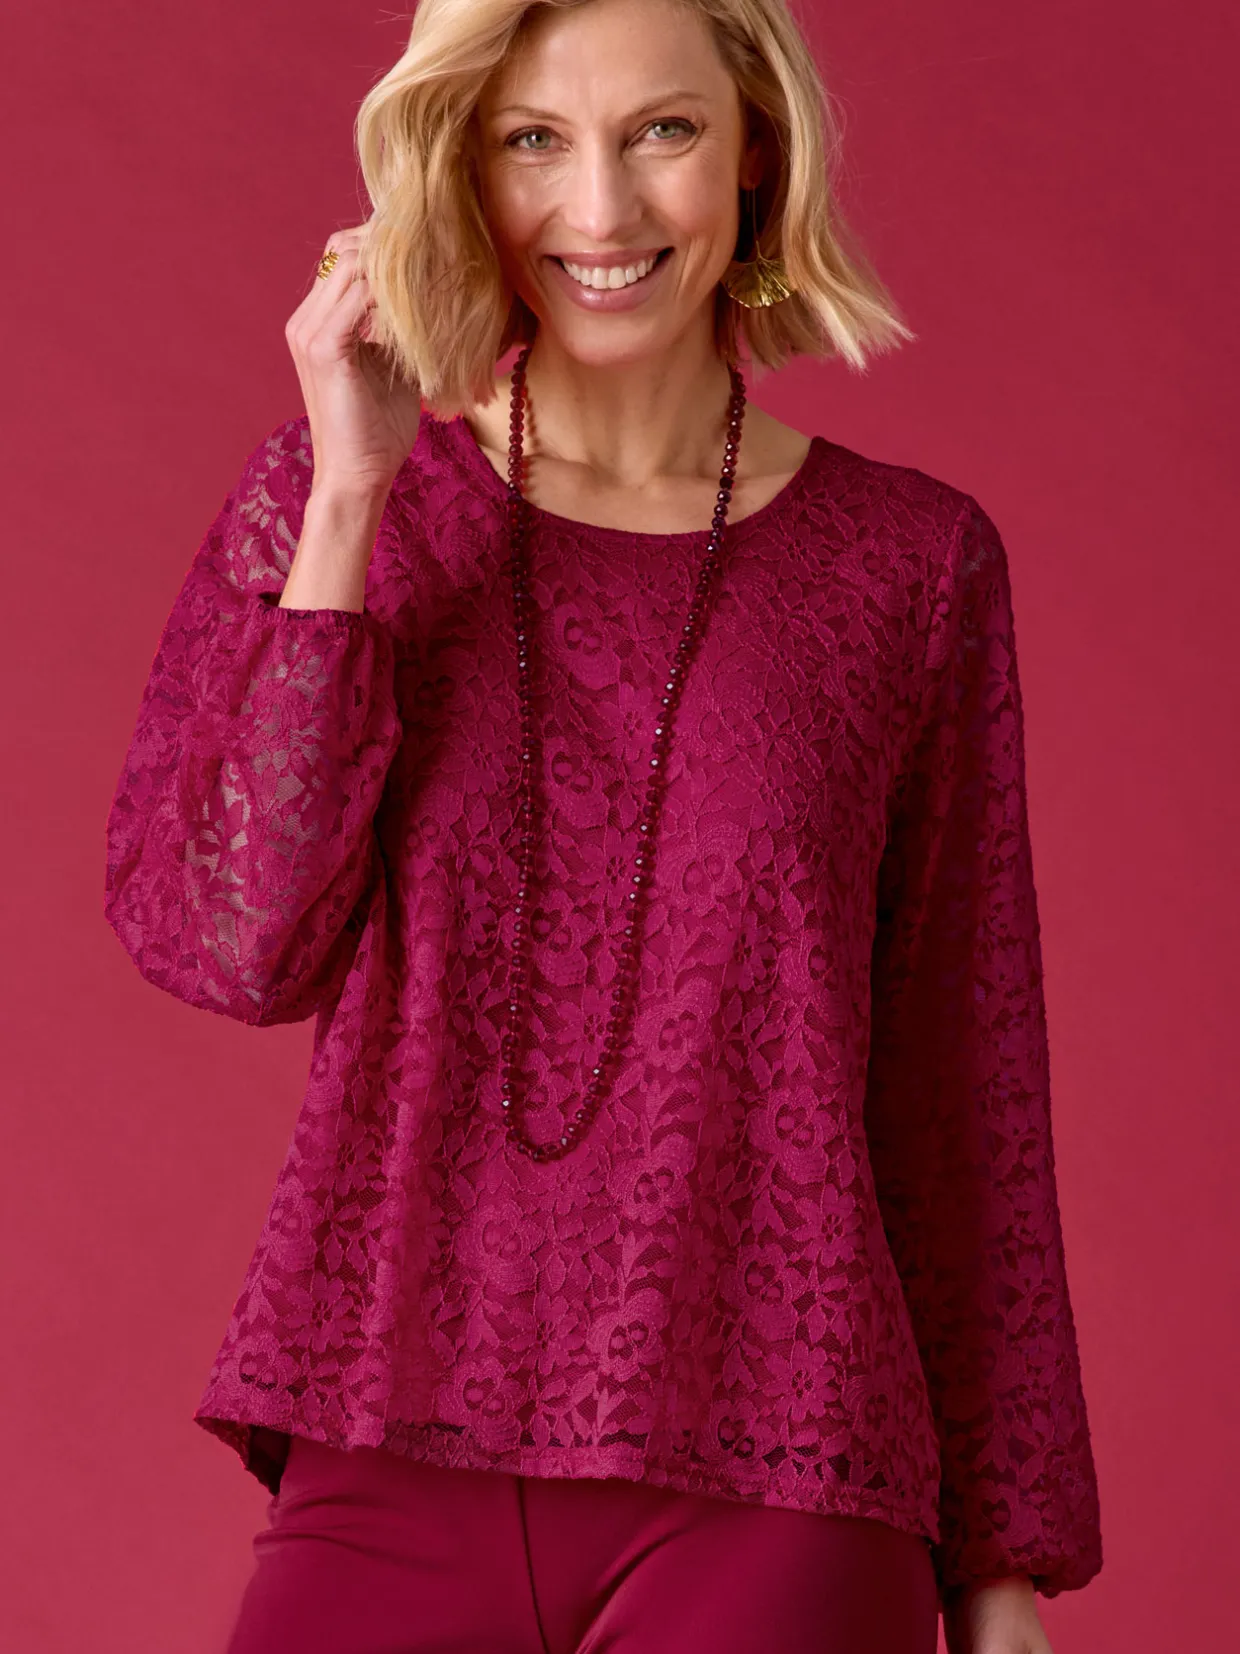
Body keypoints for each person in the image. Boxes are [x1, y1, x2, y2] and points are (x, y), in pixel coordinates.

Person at [102, 0, 1103, 1649]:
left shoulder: (911, 570)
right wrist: (350, 496)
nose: (601, 210)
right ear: (462, 170)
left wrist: (1001, 1577)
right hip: (387, 1436)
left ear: (756, 145)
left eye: (663, 131)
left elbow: (959, 1086)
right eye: (533, 141)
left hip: (785, 1478)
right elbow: (232, 943)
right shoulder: (335, 508)